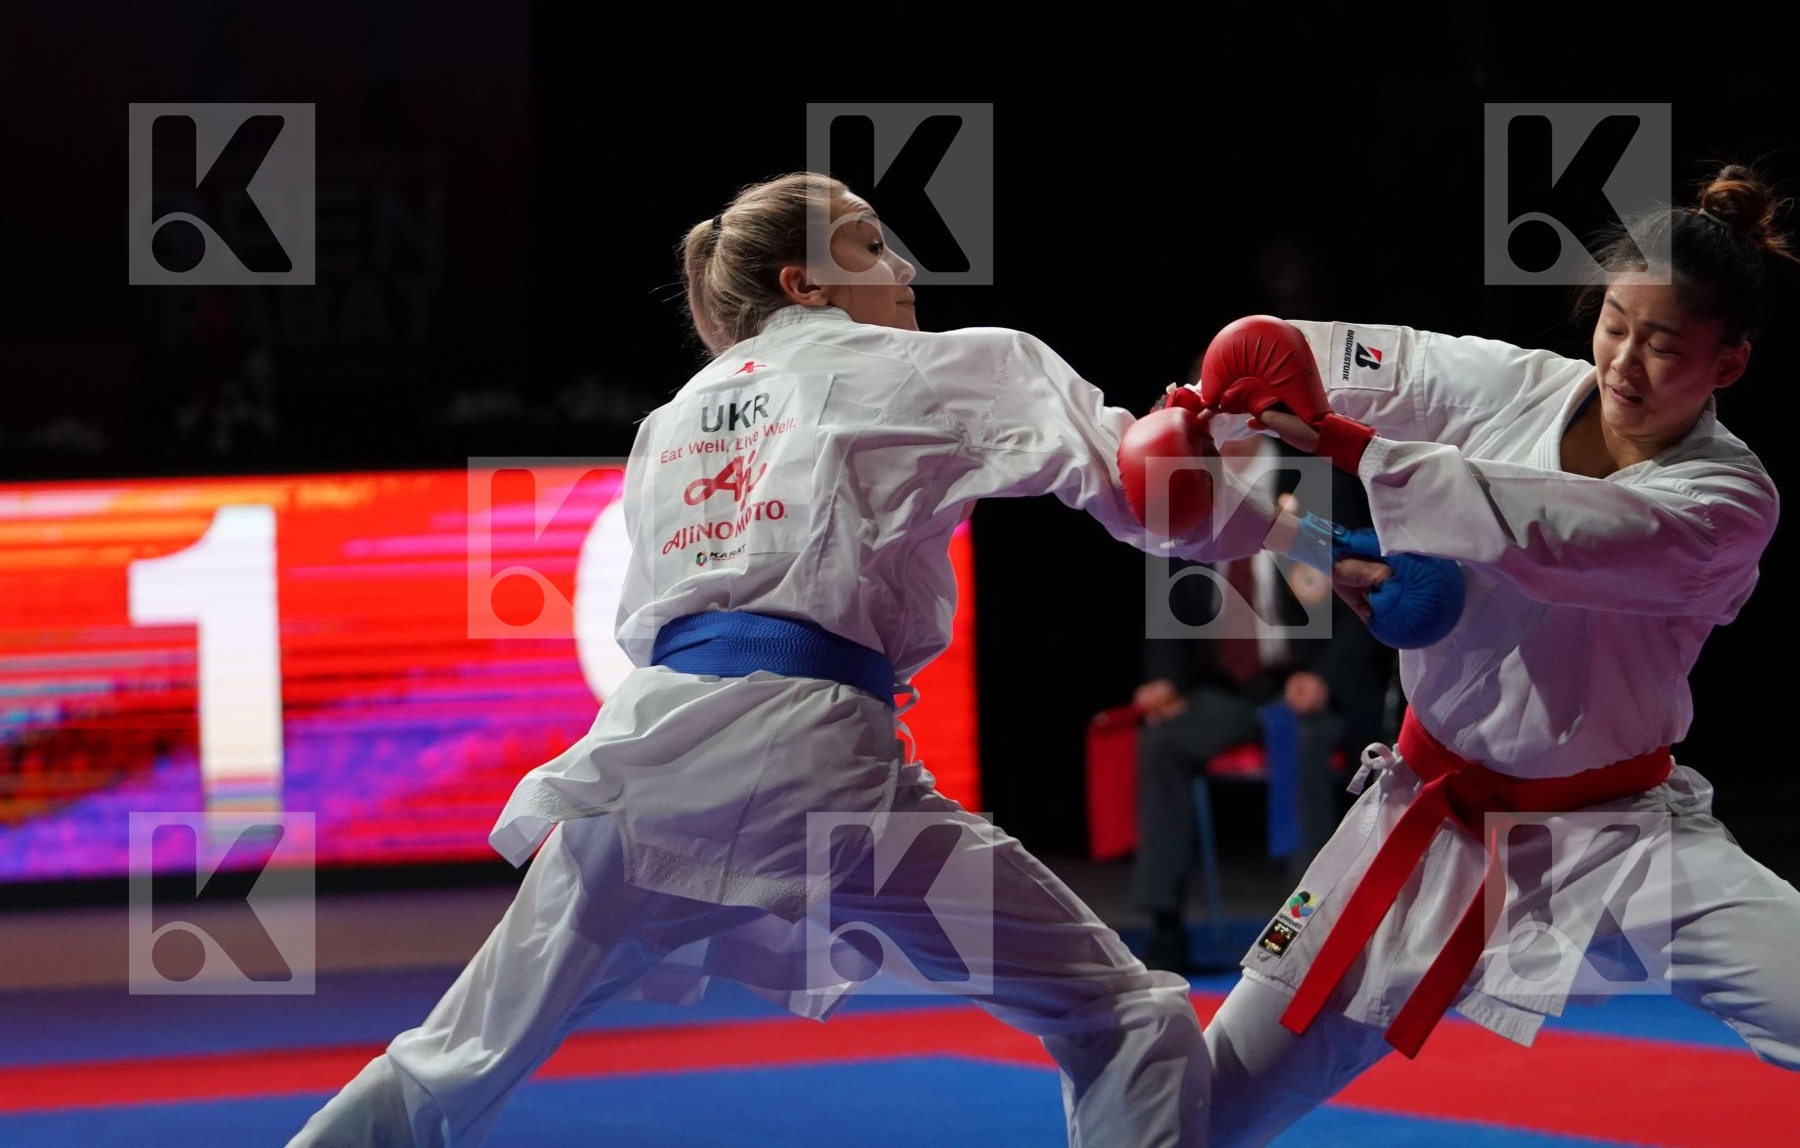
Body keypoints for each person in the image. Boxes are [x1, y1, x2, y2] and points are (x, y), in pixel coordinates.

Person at [288, 170, 1390, 1147]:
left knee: (452, 1061)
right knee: (1132, 1019)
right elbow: (1146, 492)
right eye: (868, 243)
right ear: (803, 284)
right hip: (819, 772)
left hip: (642, 768)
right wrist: (1316, 535)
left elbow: (647, 622)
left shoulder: (669, 420)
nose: (904, 264)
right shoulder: (929, 368)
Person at [1181, 163, 1799, 1146]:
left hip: (1625, 839)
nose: (1624, 363)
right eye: (1613, 325)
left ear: (1727, 365)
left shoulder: (1729, 503)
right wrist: (1245, 379)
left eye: (1663, 345)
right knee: (1196, 1107)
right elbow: (1380, 361)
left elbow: (1559, 532)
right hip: (1428, 827)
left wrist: (1344, 443)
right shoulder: (1515, 388)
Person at [1134, 357, 1399, 973]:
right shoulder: (1187, 486)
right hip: (1229, 688)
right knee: (1162, 744)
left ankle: (1298, 930)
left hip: (1309, 690)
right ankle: (1164, 924)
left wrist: (1325, 678)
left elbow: (1365, 599)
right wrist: (1164, 680)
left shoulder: (1316, 485)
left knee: (1306, 744)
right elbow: (1166, 587)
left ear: (1249, 412)